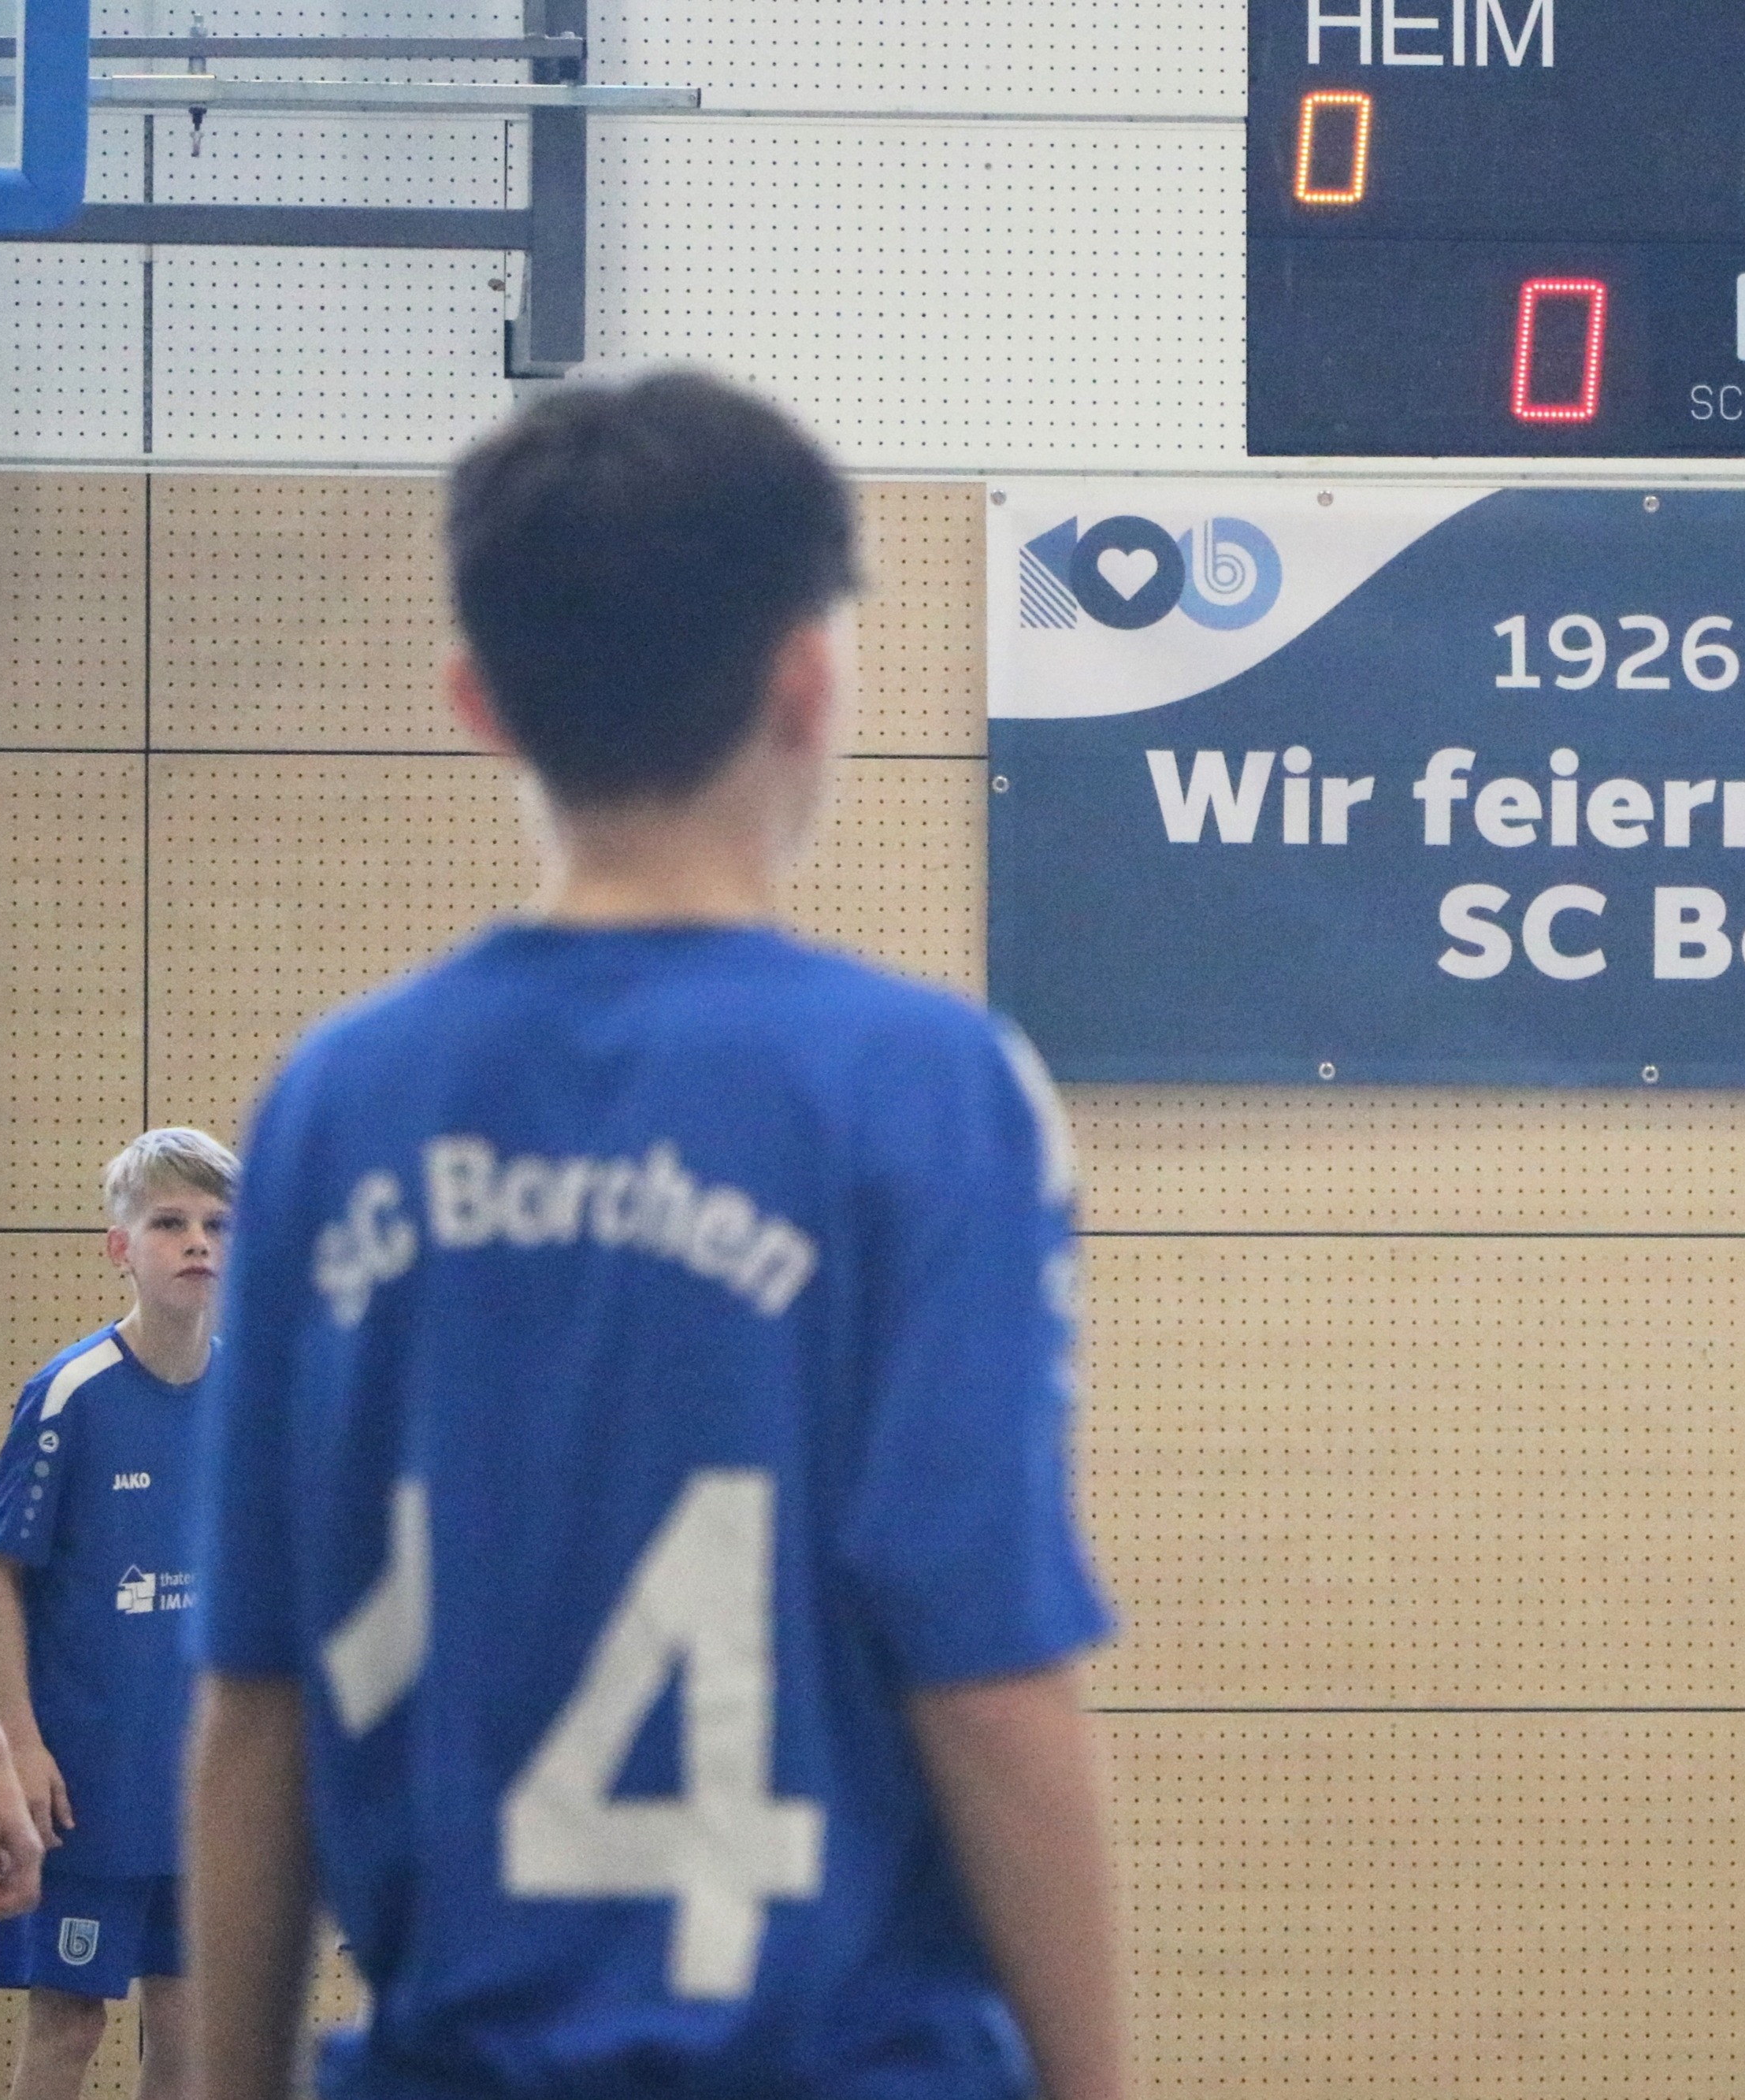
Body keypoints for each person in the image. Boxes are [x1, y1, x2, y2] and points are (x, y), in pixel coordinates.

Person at [184, 371, 1127, 2100]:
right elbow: (986, 1673)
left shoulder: (336, 1102)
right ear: (809, 677)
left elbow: (257, 1703)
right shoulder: (923, 1088)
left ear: (478, 701)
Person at [0, 1129, 236, 2100]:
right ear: (120, 1246)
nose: (196, 1240)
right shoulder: (69, 1396)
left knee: (188, 2018)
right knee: (67, 2024)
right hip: (84, 1780)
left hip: (205, 1779)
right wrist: (17, 1746)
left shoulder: (259, 1392)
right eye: (169, 1221)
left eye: (215, 1222)